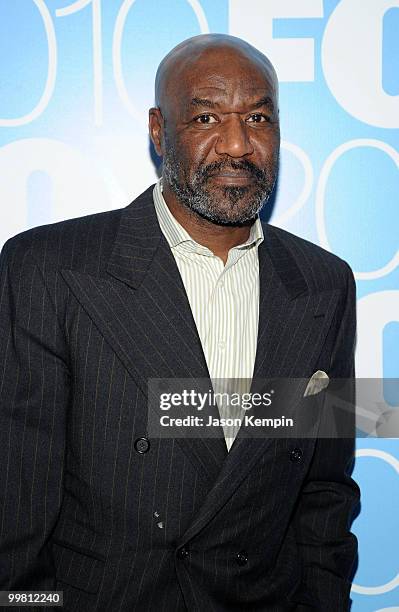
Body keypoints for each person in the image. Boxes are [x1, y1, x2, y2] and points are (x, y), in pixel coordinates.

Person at [0, 34, 359, 611]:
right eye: (207, 116)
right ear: (159, 131)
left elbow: (324, 490)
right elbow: (16, 502)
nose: (238, 144)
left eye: (259, 117)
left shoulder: (324, 283)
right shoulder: (50, 267)